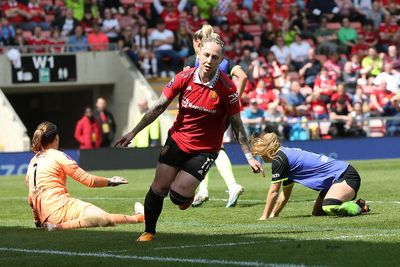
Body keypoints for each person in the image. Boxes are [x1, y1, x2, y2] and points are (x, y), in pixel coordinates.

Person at [114, 36, 263, 241]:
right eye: (206, 55)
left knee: (177, 197)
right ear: (198, 54)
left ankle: (185, 193)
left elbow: (237, 124)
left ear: (221, 61)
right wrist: (133, 132)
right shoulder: (183, 77)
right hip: (177, 141)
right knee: (159, 188)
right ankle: (149, 231)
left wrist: (249, 157)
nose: (209, 60)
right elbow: (158, 106)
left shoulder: (227, 88)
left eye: (215, 57)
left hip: (205, 149)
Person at [26, 121, 145, 231]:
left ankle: (54, 226)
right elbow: (89, 181)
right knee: (104, 218)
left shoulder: (32, 161)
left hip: (46, 217)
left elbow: (31, 198)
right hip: (61, 208)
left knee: (99, 217)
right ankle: (139, 218)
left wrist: (38, 221)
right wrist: (111, 181)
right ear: (56, 138)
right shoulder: (58, 155)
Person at [184, 25, 248, 208]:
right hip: (222, 109)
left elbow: (185, 82)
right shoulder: (223, 60)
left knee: (211, 148)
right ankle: (203, 190)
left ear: (198, 42)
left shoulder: (193, 60)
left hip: (205, 110)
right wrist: (235, 99)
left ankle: (230, 185)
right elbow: (242, 76)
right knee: (206, 149)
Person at [251, 132, 370, 220]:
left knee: (329, 206)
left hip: (346, 175)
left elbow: (273, 192)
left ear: (267, 149)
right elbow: (284, 195)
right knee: (318, 213)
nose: (259, 156)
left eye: (259, 153)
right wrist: (274, 215)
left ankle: (358, 206)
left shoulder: (280, 160)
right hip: (333, 182)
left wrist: (264, 217)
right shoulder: (284, 157)